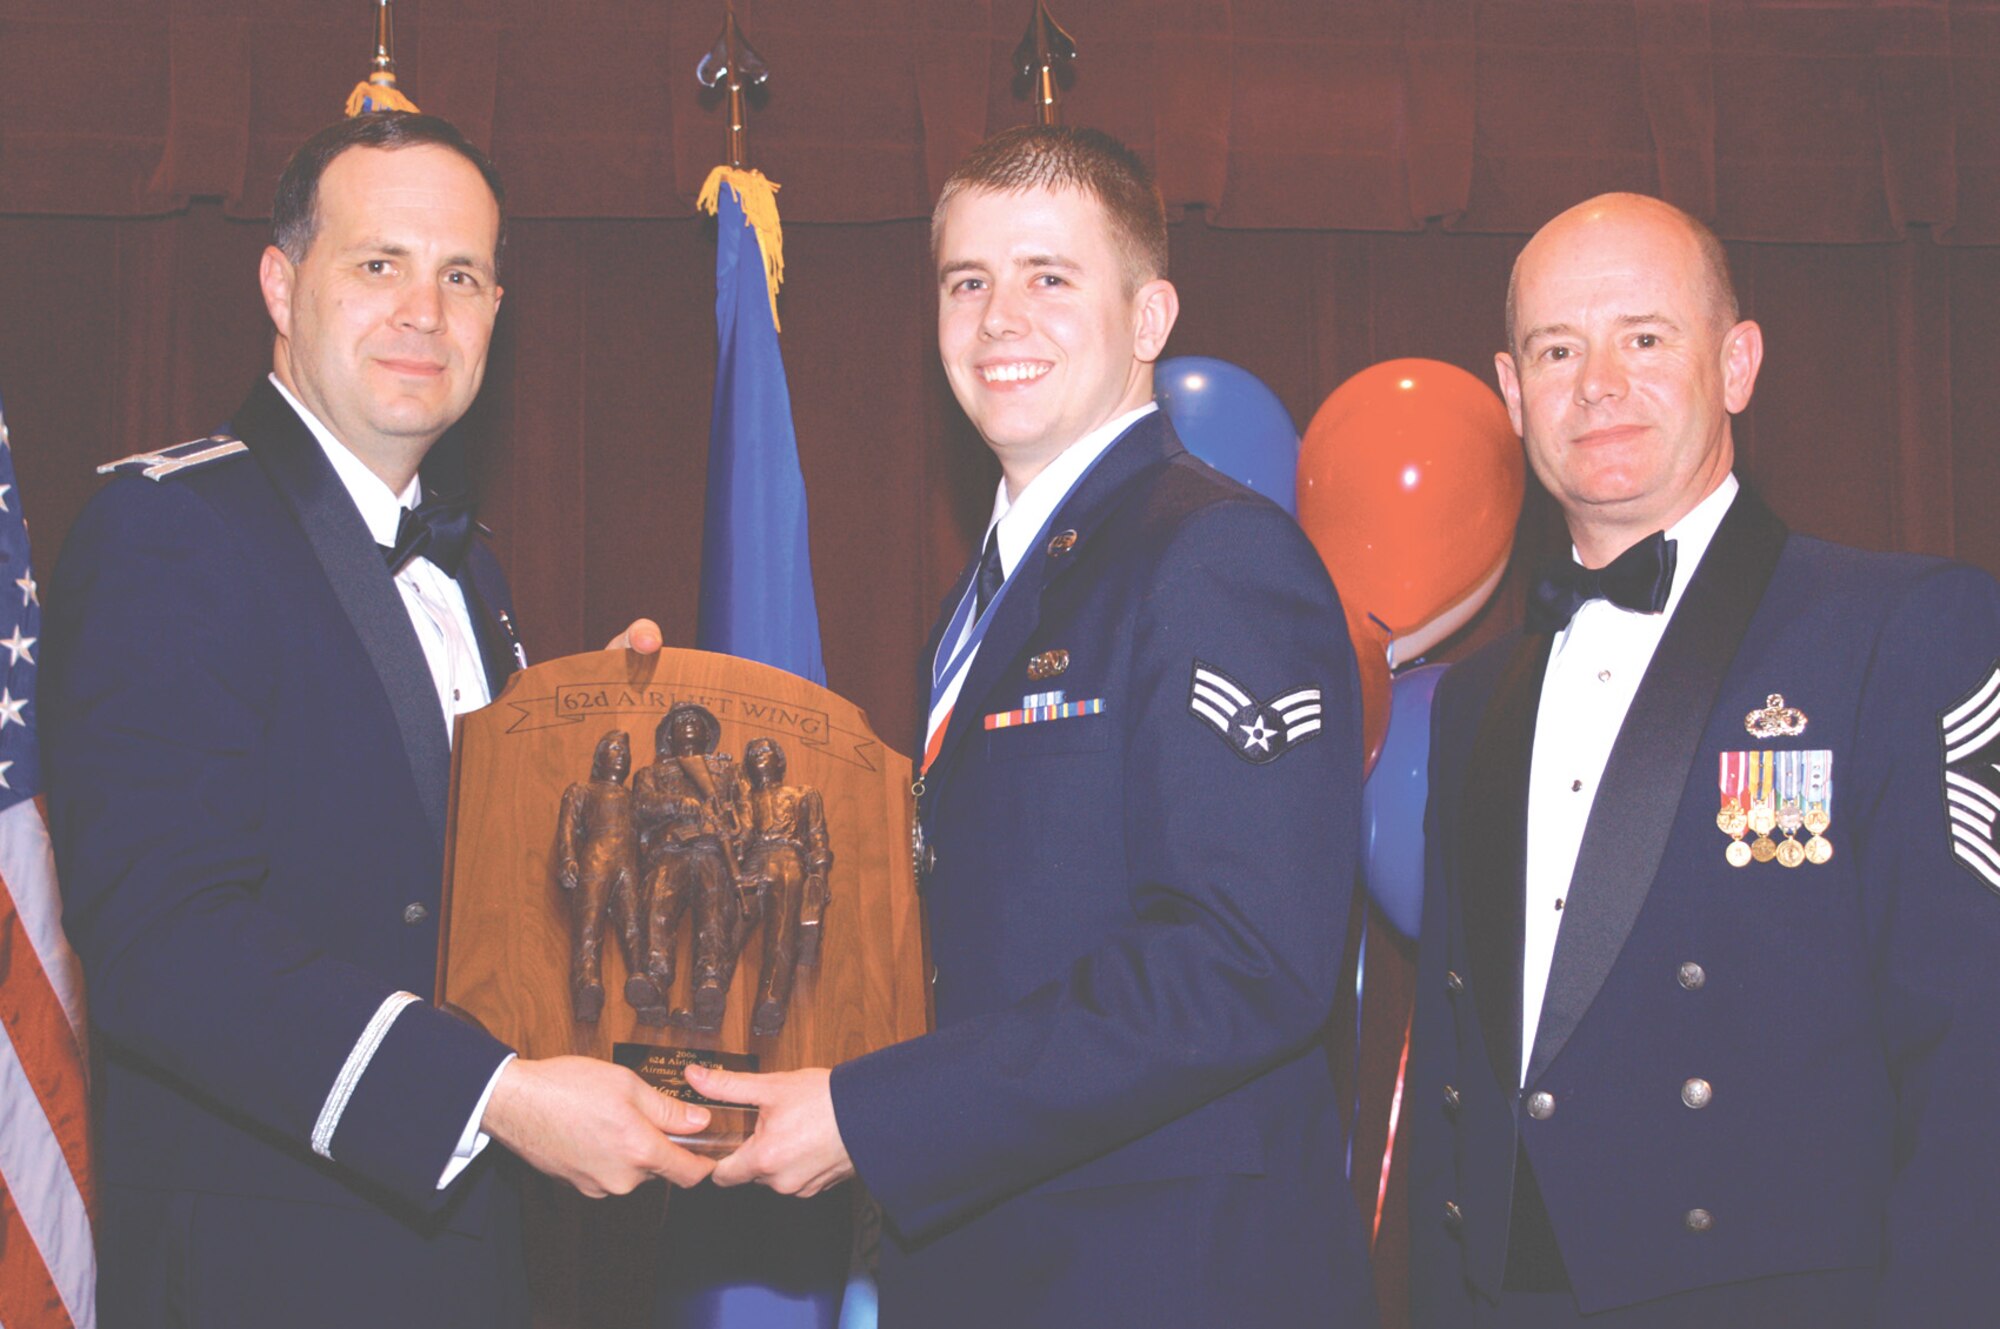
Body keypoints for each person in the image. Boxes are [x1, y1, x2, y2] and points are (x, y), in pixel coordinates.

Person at [683, 126, 1379, 1326]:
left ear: (1148, 316)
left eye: (1048, 277)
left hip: (1165, 1277)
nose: (999, 317)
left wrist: (873, 1115)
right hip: (1006, 1262)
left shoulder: (1211, 553)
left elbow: (1243, 961)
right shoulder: (995, 594)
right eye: (967, 282)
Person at [43, 112, 712, 1329]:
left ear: (497, 313)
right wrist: (495, 1097)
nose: (423, 310)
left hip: (467, 1261)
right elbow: (162, 939)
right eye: (378, 264)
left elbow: (441, 888)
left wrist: (578, 760)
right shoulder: (172, 532)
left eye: (461, 275)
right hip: (269, 1273)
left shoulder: (472, 569)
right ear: (281, 283)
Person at [1405, 192, 2000, 1327]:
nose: (1596, 384)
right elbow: (1456, 1075)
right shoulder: (1473, 701)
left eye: (1643, 337)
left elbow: (1974, 1056)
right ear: (1508, 389)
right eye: (1555, 348)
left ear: (1735, 363)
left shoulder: (1900, 632)